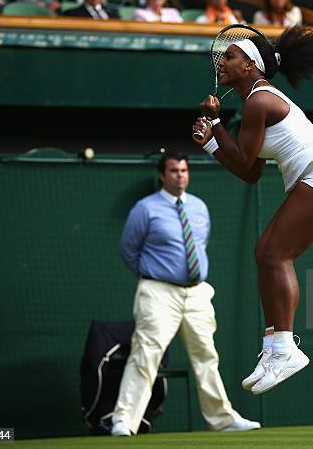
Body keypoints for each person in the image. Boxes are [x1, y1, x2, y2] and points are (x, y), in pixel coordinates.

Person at [191, 26, 313, 395]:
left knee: (276, 254)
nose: (221, 61)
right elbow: (251, 172)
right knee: (265, 253)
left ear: (250, 66)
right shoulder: (254, 103)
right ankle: (276, 347)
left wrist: (214, 125)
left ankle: (286, 348)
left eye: (230, 56)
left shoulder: (258, 101)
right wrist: (214, 141)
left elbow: (243, 161)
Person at [110, 153, 261, 436]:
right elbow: (128, 250)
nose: (180, 175)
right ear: (162, 175)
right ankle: (124, 422)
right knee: (146, 354)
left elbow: (199, 246)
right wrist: (155, 274)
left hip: (197, 294)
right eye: (173, 170)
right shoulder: (145, 209)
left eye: (183, 170)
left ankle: (223, 419)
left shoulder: (200, 207)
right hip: (158, 292)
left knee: (206, 355)